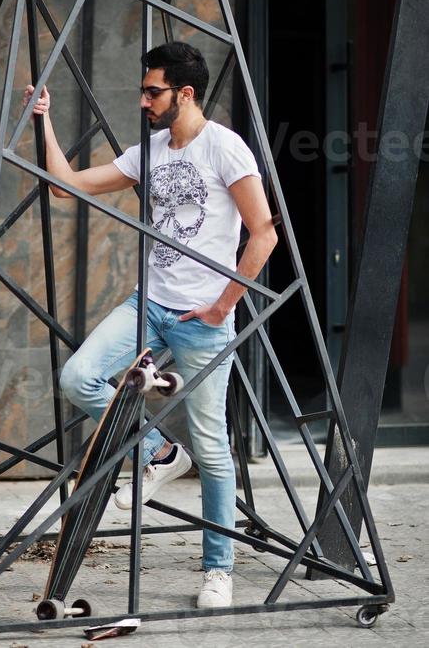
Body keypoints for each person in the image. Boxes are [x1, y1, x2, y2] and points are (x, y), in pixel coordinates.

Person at [23, 41, 277, 609]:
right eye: (144, 89)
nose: (143, 100)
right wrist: (44, 122)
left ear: (184, 93)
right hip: (149, 305)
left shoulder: (224, 149)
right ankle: (159, 451)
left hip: (203, 319)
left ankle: (219, 569)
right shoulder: (151, 151)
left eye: (152, 91)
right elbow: (66, 185)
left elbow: (263, 234)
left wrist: (220, 306)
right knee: (79, 377)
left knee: (213, 448)